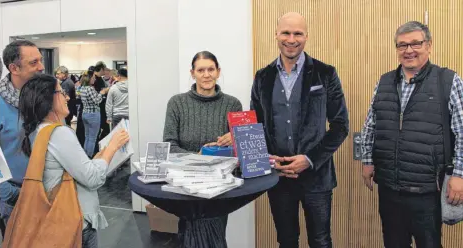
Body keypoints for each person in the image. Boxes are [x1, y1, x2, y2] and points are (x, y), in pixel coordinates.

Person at [360, 21, 463, 248]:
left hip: (427, 191)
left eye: (416, 43)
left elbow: (462, 131)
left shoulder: (448, 81)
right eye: (402, 45)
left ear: (429, 45)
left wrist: (460, 174)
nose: (409, 50)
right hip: (389, 188)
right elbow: (371, 124)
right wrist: (367, 161)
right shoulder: (385, 81)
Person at [250, 12, 349, 248]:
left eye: (298, 33)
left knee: (321, 241)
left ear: (306, 36)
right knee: (286, 240)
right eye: (286, 32)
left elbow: (340, 126)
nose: (291, 39)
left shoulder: (326, 74)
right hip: (279, 177)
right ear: (276, 34)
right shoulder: (263, 77)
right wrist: (266, 159)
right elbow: (255, 126)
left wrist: (308, 159)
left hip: (317, 178)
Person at [18, 73, 129, 247]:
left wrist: (101, 156)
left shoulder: (37, 130)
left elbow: (70, 170)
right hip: (75, 220)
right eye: (61, 92)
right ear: (47, 99)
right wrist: (113, 147)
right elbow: (92, 179)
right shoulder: (58, 133)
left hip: (55, 217)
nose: (68, 97)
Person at [163, 51, 242, 236]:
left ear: (218, 71)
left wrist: (235, 138)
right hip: (186, 183)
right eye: (201, 70)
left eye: (211, 69)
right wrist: (198, 157)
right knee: (188, 234)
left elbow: (241, 152)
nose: (206, 75)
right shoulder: (177, 103)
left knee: (216, 233)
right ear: (193, 73)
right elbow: (169, 145)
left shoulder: (233, 104)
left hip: (219, 185)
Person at [0, 40, 44, 223]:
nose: (41, 67)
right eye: (34, 63)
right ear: (14, 68)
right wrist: (9, 194)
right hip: (16, 197)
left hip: (49, 192)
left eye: (41, 60)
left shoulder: (46, 99)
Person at [80, 69, 109, 158]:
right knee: (92, 138)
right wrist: (101, 93)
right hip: (93, 115)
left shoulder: (82, 88)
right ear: (89, 78)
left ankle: (85, 156)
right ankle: (89, 156)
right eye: (93, 77)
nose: (95, 79)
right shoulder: (90, 89)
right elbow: (97, 101)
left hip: (85, 114)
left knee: (87, 136)